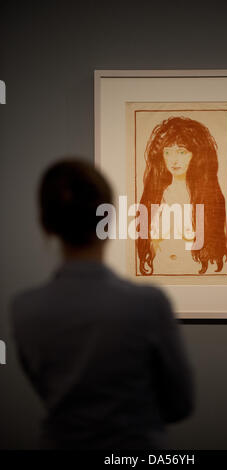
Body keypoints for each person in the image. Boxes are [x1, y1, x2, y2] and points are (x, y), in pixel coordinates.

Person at [10, 158, 194, 450]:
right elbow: (181, 404)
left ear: (45, 224)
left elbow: (49, 391)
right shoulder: (147, 303)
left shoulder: (22, 308)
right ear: (108, 219)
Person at [137, 116, 227, 276]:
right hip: (160, 271)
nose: (174, 160)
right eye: (167, 152)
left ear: (197, 155)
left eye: (182, 151)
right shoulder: (155, 197)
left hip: (198, 273)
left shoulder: (207, 198)